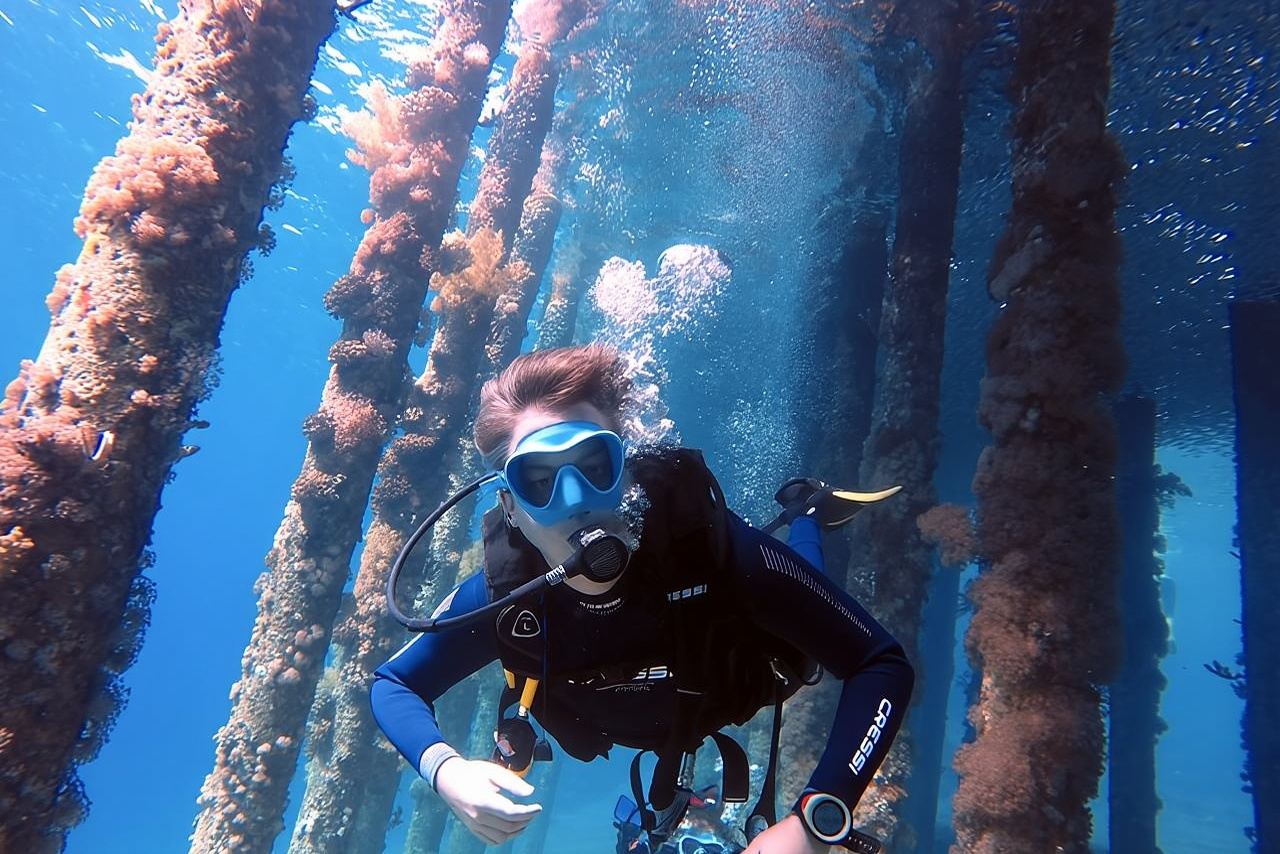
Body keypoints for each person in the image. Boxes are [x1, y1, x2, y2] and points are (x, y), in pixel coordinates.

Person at [370, 343, 915, 853]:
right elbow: (394, 684)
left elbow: (878, 661)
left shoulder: (711, 553)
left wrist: (815, 820)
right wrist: (446, 771)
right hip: (642, 714)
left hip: (735, 685)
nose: (577, 503)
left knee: (806, 648)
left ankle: (805, 516)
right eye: (539, 481)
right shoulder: (505, 601)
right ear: (510, 509)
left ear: (628, 472)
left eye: (595, 466)